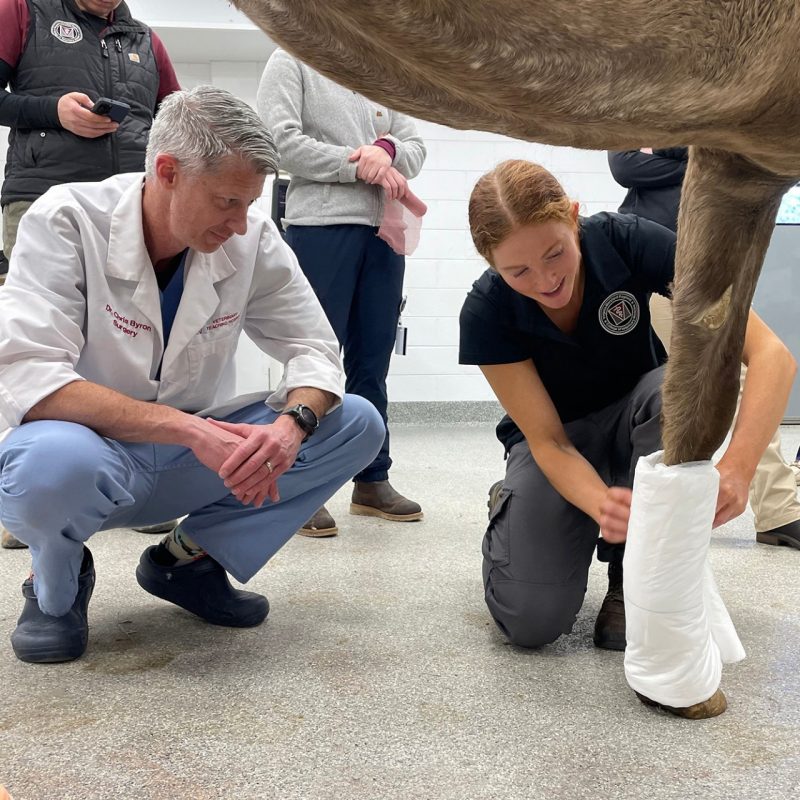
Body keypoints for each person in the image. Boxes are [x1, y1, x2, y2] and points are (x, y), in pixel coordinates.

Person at [0, 86, 385, 663]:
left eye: (249, 204)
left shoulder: (251, 237)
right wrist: (188, 430)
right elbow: (29, 377)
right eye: (227, 201)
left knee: (354, 422)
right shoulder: (66, 219)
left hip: (194, 461)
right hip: (92, 459)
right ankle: (55, 583)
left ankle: (187, 563)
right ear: (167, 171)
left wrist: (292, 426)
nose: (238, 223)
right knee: (50, 462)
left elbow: (314, 347)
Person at [460, 160, 795, 653]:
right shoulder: (486, 312)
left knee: (679, 389)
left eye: (555, 253)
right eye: (518, 271)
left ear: (574, 216)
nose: (546, 280)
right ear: (491, 263)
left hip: (638, 415)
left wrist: (739, 469)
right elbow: (549, 440)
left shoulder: (631, 240)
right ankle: (513, 505)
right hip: (559, 442)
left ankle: (628, 579)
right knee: (530, 623)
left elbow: (770, 355)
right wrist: (601, 505)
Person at [0, 0, 181, 548]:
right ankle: (26, 498)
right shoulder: (20, 12)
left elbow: (179, 122)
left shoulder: (147, 39)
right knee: (33, 347)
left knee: (144, 344)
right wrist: (53, 111)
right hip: (39, 201)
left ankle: (147, 483)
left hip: (134, 212)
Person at [258, 48, 427, 538]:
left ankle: (372, 479)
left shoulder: (386, 66)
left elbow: (415, 145)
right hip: (320, 227)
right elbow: (279, 143)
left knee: (373, 363)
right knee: (315, 358)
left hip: (383, 233)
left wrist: (389, 152)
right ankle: (298, 482)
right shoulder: (290, 61)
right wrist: (358, 165)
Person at [610, 147, 800, 550]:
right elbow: (623, 164)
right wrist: (710, 155)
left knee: (735, 369)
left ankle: (779, 506)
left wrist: (678, 149)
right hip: (656, 271)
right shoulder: (656, 99)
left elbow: (772, 163)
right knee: (726, 370)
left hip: (706, 267)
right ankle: (781, 508)